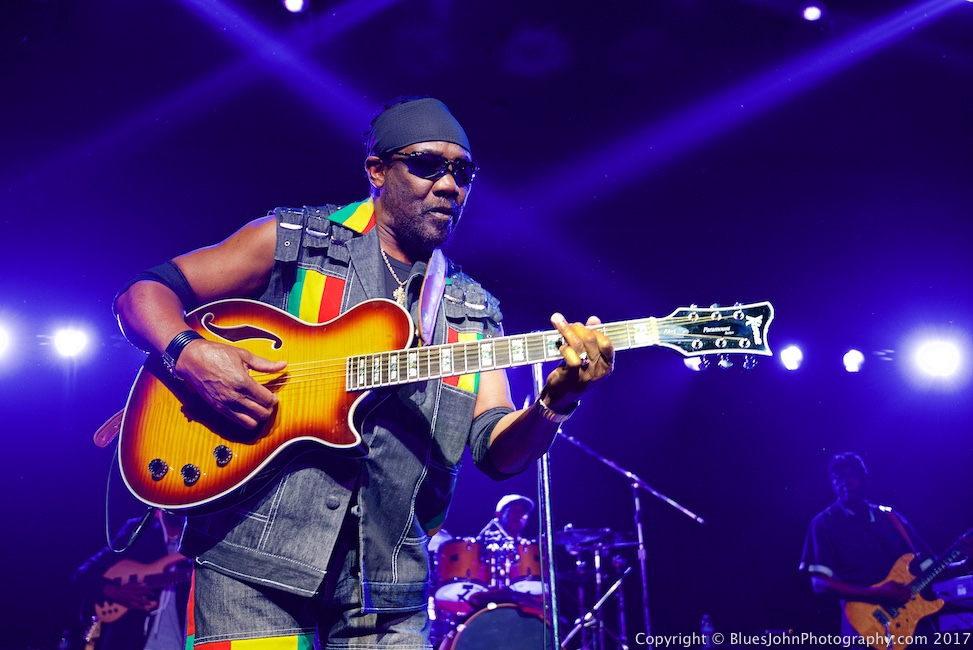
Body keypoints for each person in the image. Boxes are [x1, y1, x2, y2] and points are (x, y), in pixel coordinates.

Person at [112, 96, 614, 648]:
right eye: (427, 165)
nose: (450, 185)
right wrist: (189, 352)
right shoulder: (295, 242)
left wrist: (556, 402)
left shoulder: (471, 310)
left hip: (389, 593)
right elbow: (142, 296)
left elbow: (498, 452)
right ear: (377, 170)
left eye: (462, 172)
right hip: (251, 567)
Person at [799, 452, 971, 643]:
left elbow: (929, 568)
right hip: (866, 628)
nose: (845, 482)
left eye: (850, 475)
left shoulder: (891, 518)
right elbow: (820, 584)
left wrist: (964, 563)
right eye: (837, 478)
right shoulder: (824, 524)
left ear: (864, 478)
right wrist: (877, 594)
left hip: (916, 625)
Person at [73, 510, 190, 650]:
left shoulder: (197, 543)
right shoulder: (140, 530)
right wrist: (115, 592)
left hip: (179, 642)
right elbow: (84, 574)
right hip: (128, 641)